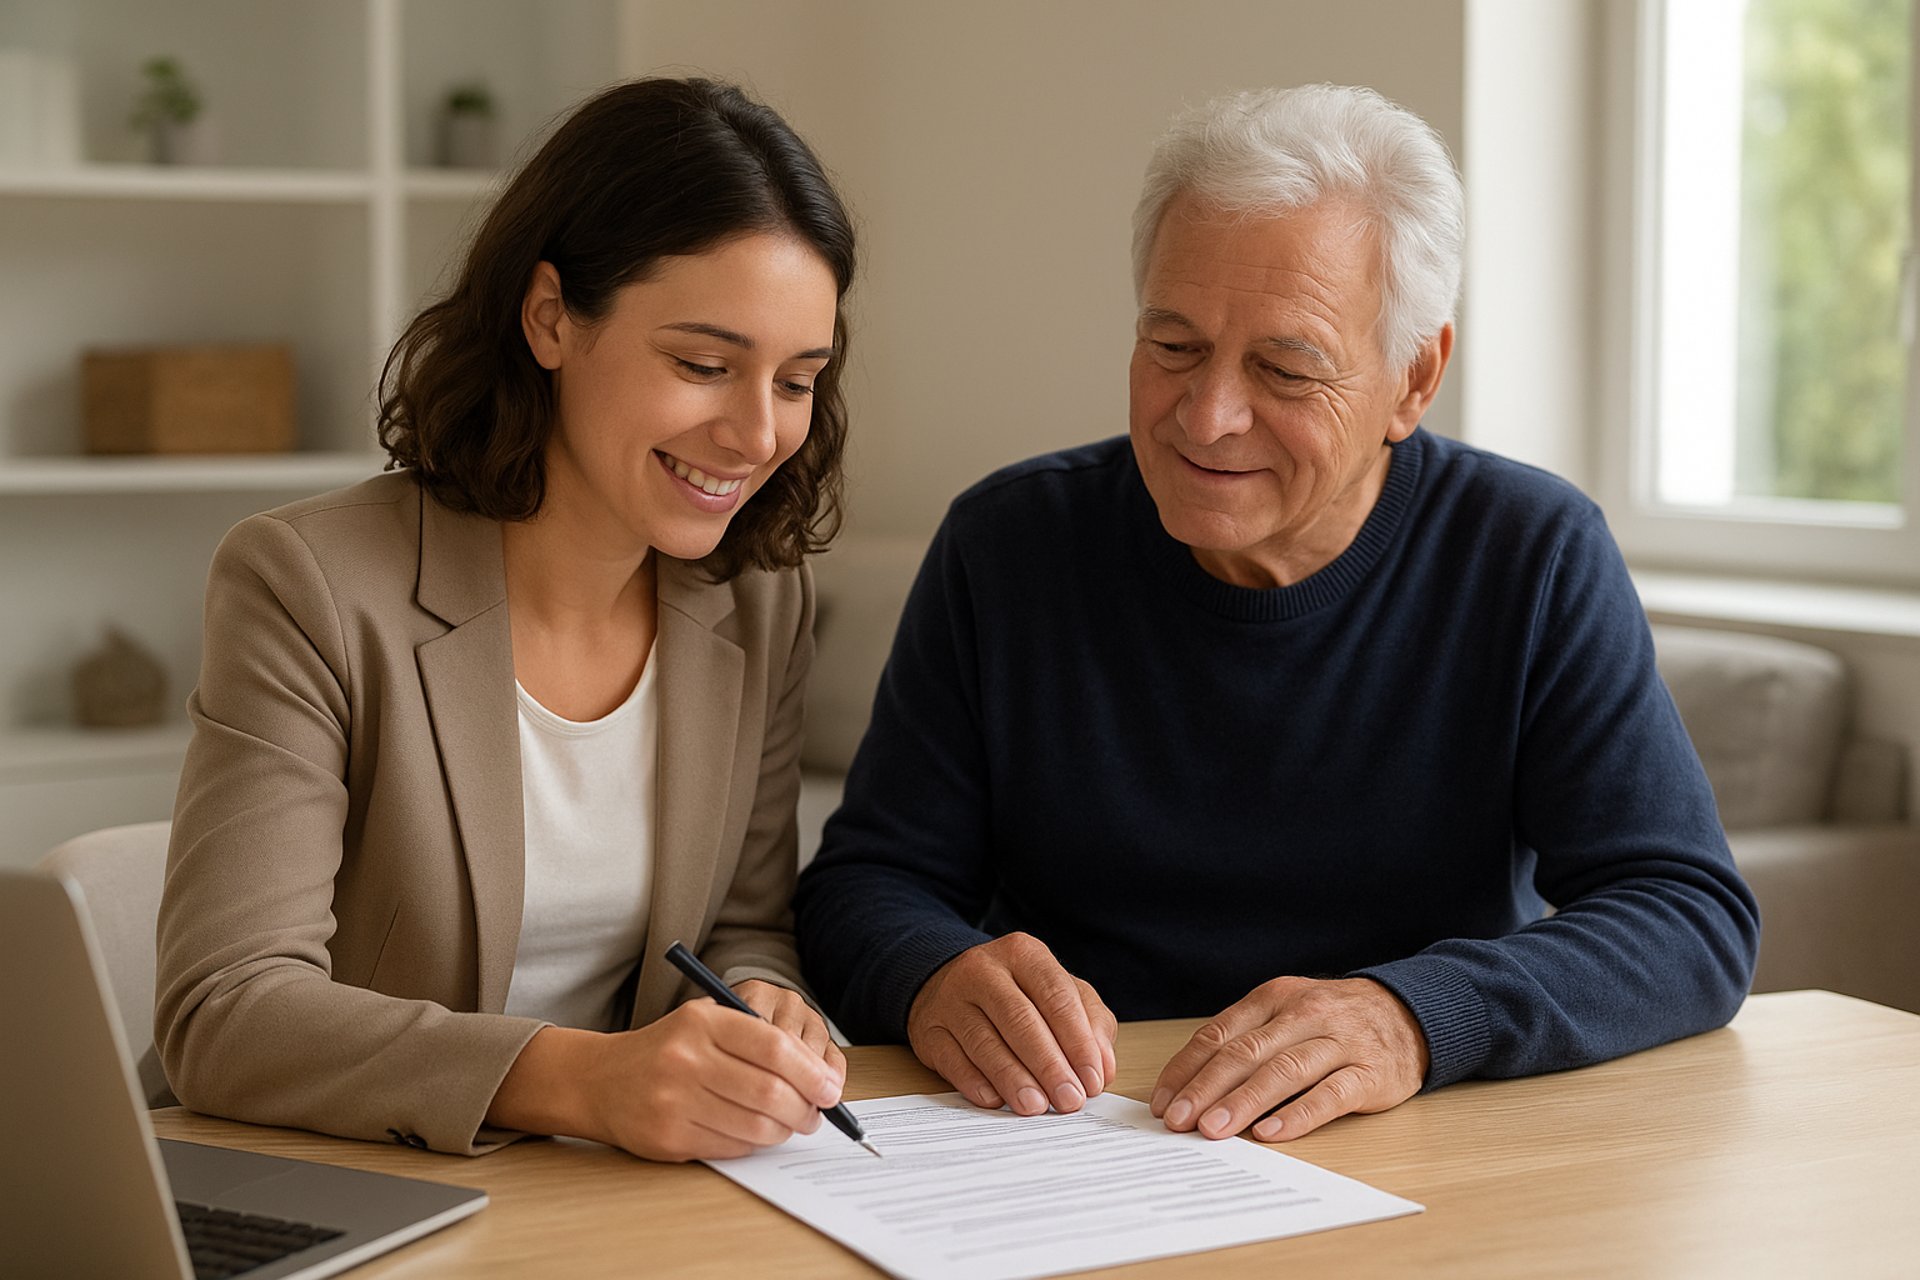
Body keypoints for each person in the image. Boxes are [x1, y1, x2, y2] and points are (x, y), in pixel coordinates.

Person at [794, 83, 1759, 1144]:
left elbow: (1688, 917)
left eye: (1284, 368)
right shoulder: (1008, 544)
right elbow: (864, 886)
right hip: (1082, 1135)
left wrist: (1415, 1015)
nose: (1207, 416)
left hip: (1415, 1138)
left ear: (1414, 377)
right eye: (1173, 346)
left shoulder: (1530, 553)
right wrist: (932, 969)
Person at [156, 78, 856, 1162]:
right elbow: (228, 1009)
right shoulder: (309, 584)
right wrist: (586, 1079)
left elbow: (741, 921)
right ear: (549, 319)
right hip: (363, 1185)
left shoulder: (755, 598)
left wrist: (767, 997)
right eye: (704, 366)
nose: (758, 434)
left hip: (618, 1199)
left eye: (798, 379)